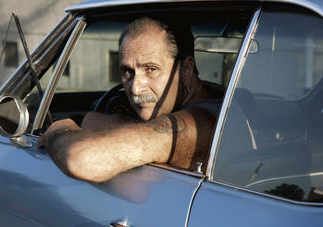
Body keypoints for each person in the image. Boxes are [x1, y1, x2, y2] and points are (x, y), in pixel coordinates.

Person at [38, 17, 222, 182]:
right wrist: (90, 121)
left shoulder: (198, 125)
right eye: (128, 72)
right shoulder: (214, 95)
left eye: (151, 69)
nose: (135, 87)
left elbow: (81, 159)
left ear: (186, 69)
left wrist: (59, 129)